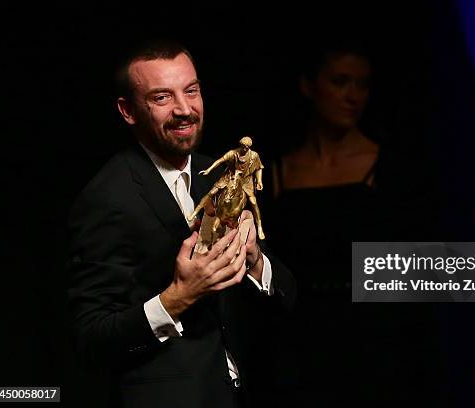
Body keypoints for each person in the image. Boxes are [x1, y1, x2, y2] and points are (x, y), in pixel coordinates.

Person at [66, 39, 296, 408]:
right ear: (128, 111)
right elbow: (91, 342)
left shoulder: (219, 177)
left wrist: (254, 259)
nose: (184, 109)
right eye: (162, 98)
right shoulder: (107, 198)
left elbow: (286, 297)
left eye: (191, 91)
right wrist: (177, 298)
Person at [265, 40, 444, 406]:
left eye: (362, 85)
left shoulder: (391, 167)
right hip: (299, 342)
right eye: (340, 82)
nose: (353, 96)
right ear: (309, 86)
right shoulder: (277, 172)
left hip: (377, 341)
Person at [189, 136, 266, 240]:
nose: (244, 149)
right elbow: (220, 161)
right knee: (212, 192)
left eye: (246, 147)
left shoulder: (254, 156)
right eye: (243, 146)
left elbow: (259, 168)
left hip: (245, 181)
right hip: (229, 177)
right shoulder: (233, 153)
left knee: (253, 202)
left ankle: (259, 226)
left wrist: (259, 180)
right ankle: (196, 211)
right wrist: (209, 170)